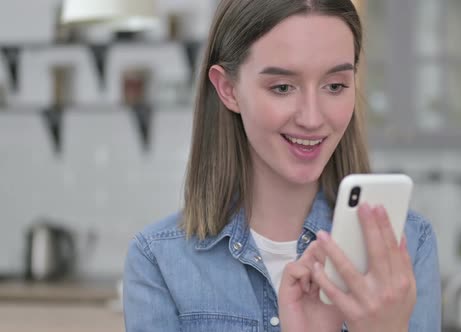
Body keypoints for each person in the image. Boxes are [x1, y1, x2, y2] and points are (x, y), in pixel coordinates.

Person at [123, 0, 441, 331]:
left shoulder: (408, 245)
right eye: (282, 87)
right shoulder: (158, 261)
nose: (313, 118)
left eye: (335, 86)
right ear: (228, 89)